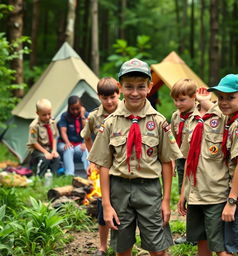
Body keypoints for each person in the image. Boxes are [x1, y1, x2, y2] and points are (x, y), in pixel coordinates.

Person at [88, 58, 183, 256]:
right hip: (119, 190)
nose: (134, 92)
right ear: (120, 88)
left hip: (150, 190)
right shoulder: (110, 123)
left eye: (141, 86)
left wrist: (166, 201)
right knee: (122, 248)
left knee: (158, 248)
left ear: (149, 87)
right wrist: (106, 205)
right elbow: (103, 166)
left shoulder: (158, 122)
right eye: (128, 86)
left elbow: (167, 162)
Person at [178, 87, 233, 256]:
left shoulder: (223, 119)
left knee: (219, 245)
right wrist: (183, 193)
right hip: (195, 194)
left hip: (215, 194)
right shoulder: (191, 121)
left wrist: (205, 101)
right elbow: (187, 159)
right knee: (201, 239)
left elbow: (224, 114)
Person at [208, 74, 238, 256]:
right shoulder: (234, 120)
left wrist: (231, 201)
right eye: (220, 97)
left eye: (230, 97)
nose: (223, 102)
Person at [170, 79, 213, 246]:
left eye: (182, 100)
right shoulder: (176, 116)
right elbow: (172, 139)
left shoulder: (200, 114)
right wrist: (173, 160)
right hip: (182, 160)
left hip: (197, 161)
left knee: (194, 194)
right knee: (184, 195)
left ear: (194, 98)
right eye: (175, 100)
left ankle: (198, 233)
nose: (178, 103)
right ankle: (191, 233)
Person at [80, 77, 120, 256]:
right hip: (103, 167)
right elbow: (86, 137)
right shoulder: (94, 116)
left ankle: (121, 245)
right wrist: (93, 160)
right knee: (103, 206)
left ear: (118, 93)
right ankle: (102, 246)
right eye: (105, 98)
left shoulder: (126, 111)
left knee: (123, 207)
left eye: (113, 97)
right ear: (99, 97)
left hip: (122, 167)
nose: (109, 101)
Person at [57, 95, 89, 176]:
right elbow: (63, 131)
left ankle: (89, 173)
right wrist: (67, 142)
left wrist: (82, 116)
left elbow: (87, 130)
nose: (75, 111)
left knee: (85, 149)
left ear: (81, 106)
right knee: (69, 149)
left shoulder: (86, 115)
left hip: (78, 144)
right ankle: (69, 175)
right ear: (69, 108)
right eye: (72, 109)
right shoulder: (65, 116)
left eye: (77, 109)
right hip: (64, 143)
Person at [27, 98, 60, 176]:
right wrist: (45, 153)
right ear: (37, 113)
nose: (48, 117)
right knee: (45, 158)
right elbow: (34, 143)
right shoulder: (34, 126)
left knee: (57, 157)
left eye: (49, 113)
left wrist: (54, 150)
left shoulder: (52, 122)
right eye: (44, 115)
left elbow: (54, 136)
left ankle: (53, 176)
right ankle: (39, 176)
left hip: (49, 148)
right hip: (37, 150)